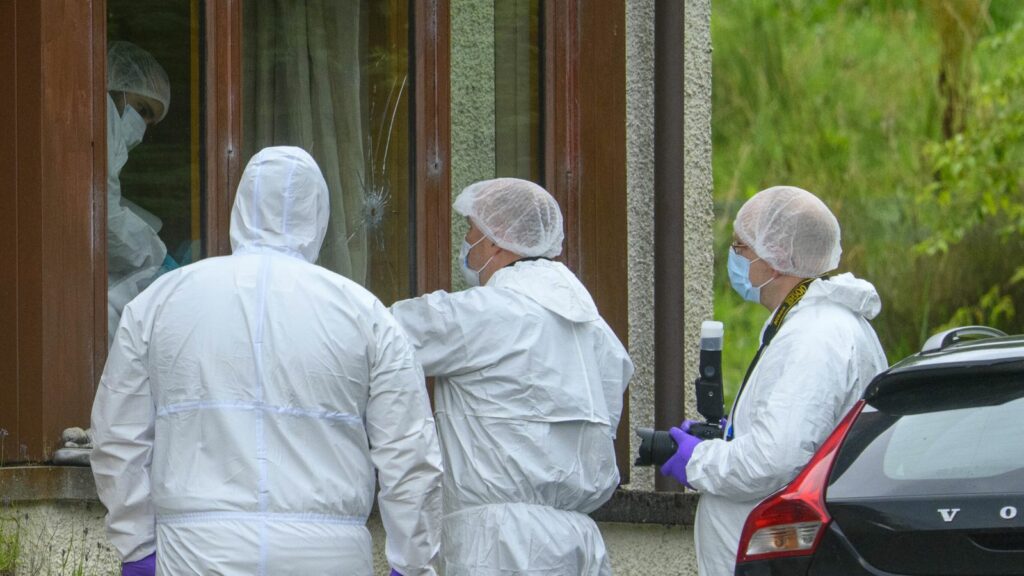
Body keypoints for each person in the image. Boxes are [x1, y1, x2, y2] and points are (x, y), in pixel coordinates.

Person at [91, 147, 443, 576]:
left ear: (239, 206)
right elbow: (409, 453)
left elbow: (116, 435)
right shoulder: (364, 313)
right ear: (319, 215)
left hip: (198, 549)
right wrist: (412, 564)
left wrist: (137, 547)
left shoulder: (160, 302)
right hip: (327, 554)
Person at [390, 178, 634, 576]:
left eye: (470, 229)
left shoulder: (489, 313)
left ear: (497, 241)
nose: (466, 242)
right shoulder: (598, 334)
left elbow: (379, 335)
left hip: (500, 546)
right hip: (577, 541)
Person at [657, 185, 888, 575]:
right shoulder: (815, 323)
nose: (733, 258)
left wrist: (698, 460)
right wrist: (735, 435)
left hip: (776, 560)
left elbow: (774, 459)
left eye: (741, 248)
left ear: (776, 260)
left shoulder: (814, 335)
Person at [105, 41, 174, 348]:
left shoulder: (110, 135)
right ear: (117, 84)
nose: (142, 126)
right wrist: (152, 251)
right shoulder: (103, 113)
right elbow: (102, 217)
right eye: (142, 109)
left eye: (150, 122)